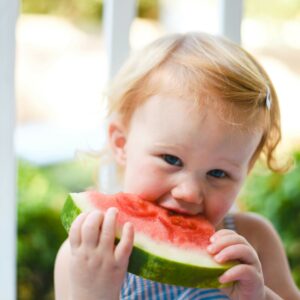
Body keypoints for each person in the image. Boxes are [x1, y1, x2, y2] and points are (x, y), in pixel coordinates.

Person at [54, 32, 300, 300]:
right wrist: (93, 293)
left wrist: (261, 296)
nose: (190, 192)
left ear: (245, 173)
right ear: (122, 144)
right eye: (172, 160)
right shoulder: (83, 256)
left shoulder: (254, 239)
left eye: (218, 173)